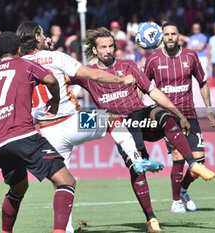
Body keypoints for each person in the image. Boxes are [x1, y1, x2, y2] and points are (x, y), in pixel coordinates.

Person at [16, 21, 164, 233]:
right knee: (111, 118)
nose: (45, 35)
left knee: (62, 183)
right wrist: (120, 80)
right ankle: (136, 158)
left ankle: (64, 228)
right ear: (38, 37)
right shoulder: (57, 57)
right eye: (42, 33)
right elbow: (91, 74)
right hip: (71, 121)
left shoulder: (18, 65)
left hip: (47, 130)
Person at [68, 27, 215, 230]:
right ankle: (151, 218)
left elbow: (153, 92)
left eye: (111, 46)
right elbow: (59, 78)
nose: (109, 50)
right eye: (103, 47)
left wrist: (180, 115)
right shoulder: (88, 73)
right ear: (94, 49)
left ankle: (192, 163)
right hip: (119, 125)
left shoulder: (128, 65)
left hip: (140, 116)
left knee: (163, 114)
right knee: (137, 168)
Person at [0, 31, 76, 233]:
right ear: (18, 50)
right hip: (25, 136)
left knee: (18, 188)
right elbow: (50, 79)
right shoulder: (25, 64)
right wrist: (56, 101)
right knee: (66, 181)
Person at [143, 22, 215, 213]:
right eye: (166, 34)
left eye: (173, 34)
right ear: (162, 37)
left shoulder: (191, 56)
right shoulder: (153, 60)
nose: (169, 37)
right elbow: (142, 84)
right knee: (178, 157)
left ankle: (183, 189)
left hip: (189, 114)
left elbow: (203, 82)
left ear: (178, 35)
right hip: (166, 117)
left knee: (199, 163)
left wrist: (208, 108)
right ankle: (176, 202)